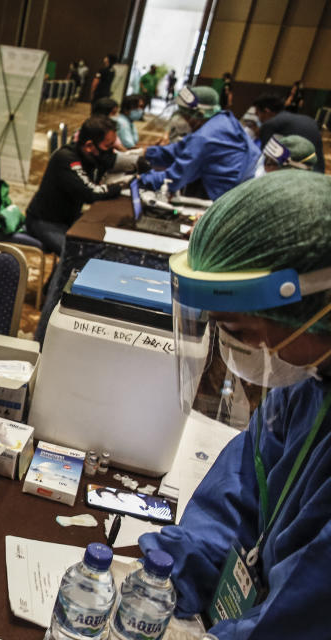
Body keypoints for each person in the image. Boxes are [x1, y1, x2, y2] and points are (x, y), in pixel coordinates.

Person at [139, 170, 331, 638]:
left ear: (315, 309)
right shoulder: (307, 384)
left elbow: (305, 613)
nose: (231, 347)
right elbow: (243, 488)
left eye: (240, 332)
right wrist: (169, 572)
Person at [140, 86, 260, 200]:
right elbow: (180, 149)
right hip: (239, 194)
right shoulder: (221, 121)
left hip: (228, 199)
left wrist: (138, 180)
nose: (179, 118)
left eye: (184, 114)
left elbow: (174, 179)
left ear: (199, 115)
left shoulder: (204, 138)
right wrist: (145, 153)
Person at [24, 116, 122, 255]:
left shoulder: (91, 157)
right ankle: (58, 278)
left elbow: (114, 164)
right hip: (44, 222)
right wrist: (119, 186)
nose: (111, 151)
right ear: (89, 146)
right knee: (76, 254)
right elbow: (91, 193)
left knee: (103, 243)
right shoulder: (66, 158)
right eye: (108, 146)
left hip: (67, 218)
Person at [253, 93, 325, 173]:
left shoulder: (270, 124)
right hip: (318, 169)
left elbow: (264, 158)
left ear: (267, 111)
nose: (258, 119)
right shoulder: (307, 119)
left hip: (299, 174)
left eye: (257, 114)